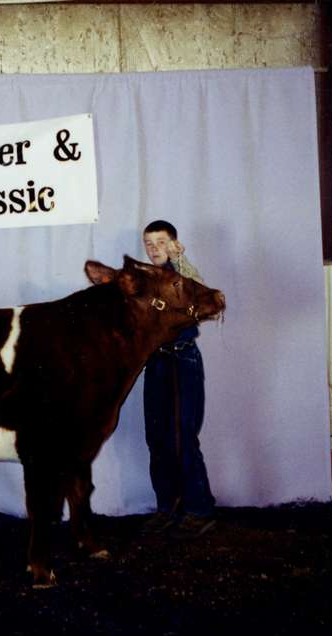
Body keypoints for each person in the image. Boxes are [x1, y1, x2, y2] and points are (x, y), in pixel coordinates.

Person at [140, 219, 216, 539]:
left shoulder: (184, 273)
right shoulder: (144, 279)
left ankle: (199, 510)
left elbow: (200, 294)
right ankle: (167, 507)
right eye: (149, 243)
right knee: (157, 437)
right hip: (156, 362)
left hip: (184, 360)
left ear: (174, 243)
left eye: (161, 242)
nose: (154, 248)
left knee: (183, 435)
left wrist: (180, 260)